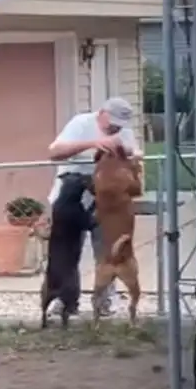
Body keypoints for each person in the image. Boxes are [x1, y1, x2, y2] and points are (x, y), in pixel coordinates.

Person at [46, 97, 144, 317]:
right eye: (113, 122)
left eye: (120, 125)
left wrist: (126, 151)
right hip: (73, 191)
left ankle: (104, 300)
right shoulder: (81, 123)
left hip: (107, 199)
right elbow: (54, 151)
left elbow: (137, 154)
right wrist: (91, 144)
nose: (116, 128)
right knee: (67, 249)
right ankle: (65, 299)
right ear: (102, 113)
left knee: (108, 248)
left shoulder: (123, 133)